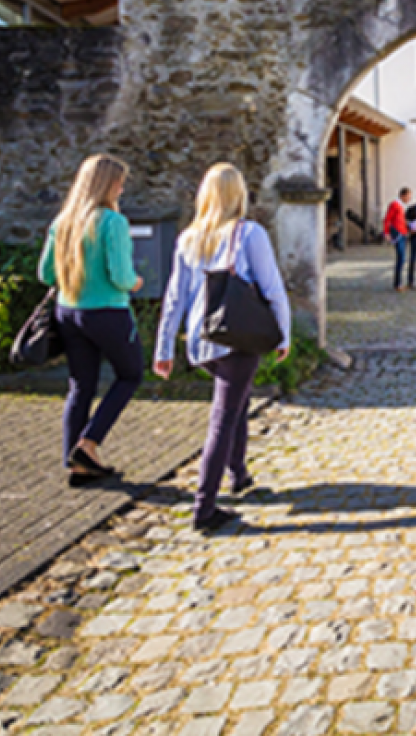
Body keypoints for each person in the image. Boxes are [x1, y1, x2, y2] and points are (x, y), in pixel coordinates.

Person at [153, 163, 291, 533]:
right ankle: (205, 508)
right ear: (238, 194)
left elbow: (174, 298)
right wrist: (283, 334)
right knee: (224, 418)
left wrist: (164, 348)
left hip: (202, 339)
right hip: (237, 336)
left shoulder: (189, 238)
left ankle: (239, 474)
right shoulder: (249, 234)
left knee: (237, 403)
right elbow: (272, 288)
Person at [39, 154, 145, 487]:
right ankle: (87, 445)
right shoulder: (113, 222)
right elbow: (121, 276)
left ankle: (77, 466)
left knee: (80, 385)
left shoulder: (63, 222)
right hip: (107, 312)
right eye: (119, 183)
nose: (121, 189)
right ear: (106, 184)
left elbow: (45, 274)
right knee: (130, 374)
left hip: (69, 311)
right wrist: (136, 282)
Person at [383, 187, 411, 291]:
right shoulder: (395, 204)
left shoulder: (400, 205)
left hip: (403, 233)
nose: (409, 198)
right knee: (401, 258)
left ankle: (398, 283)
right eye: (408, 196)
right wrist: (386, 232)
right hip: (398, 234)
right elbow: (387, 219)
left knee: (402, 258)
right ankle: (398, 283)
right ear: (403, 195)